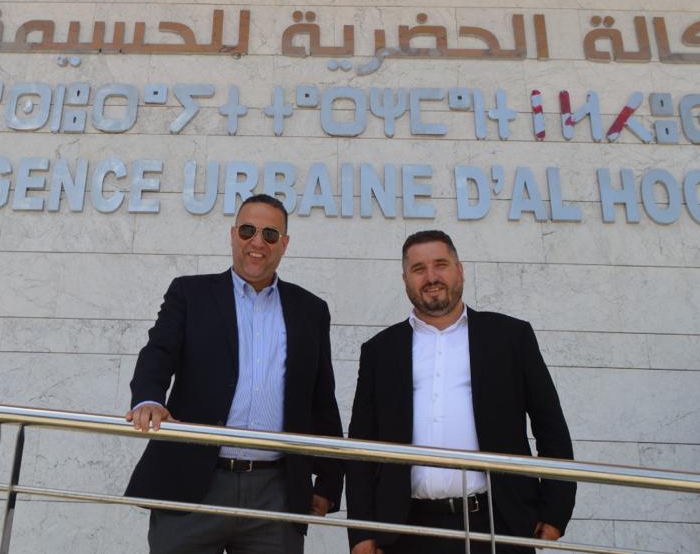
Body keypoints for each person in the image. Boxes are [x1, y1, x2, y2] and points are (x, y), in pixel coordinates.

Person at [124, 193, 343, 554]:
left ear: (284, 244)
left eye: (270, 234)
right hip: (192, 485)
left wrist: (329, 481)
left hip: (275, 494)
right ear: (232, 234)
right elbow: (159, 352)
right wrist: (148, 399)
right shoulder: (189, 293)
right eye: (247, 231)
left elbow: (321, 399)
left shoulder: (311, 310)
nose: (257, 242)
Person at [346, 230, 576, 554]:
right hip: (405, 531)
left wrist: (555, 510)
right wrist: (361, 531)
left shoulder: (511, 337)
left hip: (497, 525)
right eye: (418, 269)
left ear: (460, 270)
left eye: (441, 264)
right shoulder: (379, 351)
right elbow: (361, 448)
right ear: (405, 280)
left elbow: (550, 427)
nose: (431, 277)